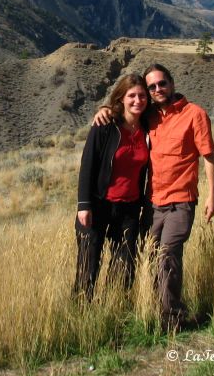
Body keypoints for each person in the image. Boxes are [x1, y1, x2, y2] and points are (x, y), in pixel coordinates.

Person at [94, 63, 214, 330]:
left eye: (162, 83)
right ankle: (150, 308)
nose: (158, 89)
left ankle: (172, 318)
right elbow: (124, 110)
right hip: (152, 202)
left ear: (172, 83)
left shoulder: (195, 114)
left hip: (181, 201)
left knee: (168, 256)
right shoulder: (150, 115)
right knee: (148, 256)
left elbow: (208, 156)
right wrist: (104, 109)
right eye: (152, 87)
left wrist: (212, 197)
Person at [74, 74, 151, 301]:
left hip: (129, 209)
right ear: (121, 98)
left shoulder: (148, 127)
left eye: (142, 96)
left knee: (124, 268)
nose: (138, 100)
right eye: (132, 95)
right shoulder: (105, 125)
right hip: (99, 205)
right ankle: (82, 315)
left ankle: (113, 312)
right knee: (88, 267)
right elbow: (88, 165)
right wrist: (84, 205)